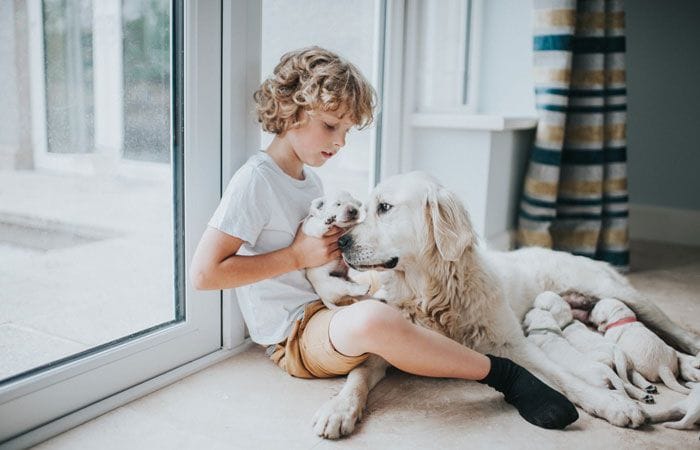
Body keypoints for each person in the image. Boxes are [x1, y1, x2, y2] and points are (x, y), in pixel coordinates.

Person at [189, 46, 578, 430]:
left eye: (346, 131)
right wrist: (296, 257)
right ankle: (502, 373)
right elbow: (205, 274)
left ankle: (487, 325)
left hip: (327, 304)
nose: (340, 142)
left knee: (409, 276)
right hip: (296, 333)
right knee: (379, 316)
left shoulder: (310, 182)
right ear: (292, 111)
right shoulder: (256, 179)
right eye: (330, 126)